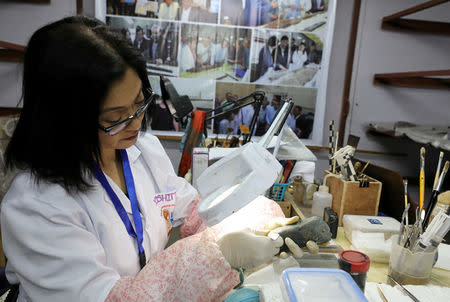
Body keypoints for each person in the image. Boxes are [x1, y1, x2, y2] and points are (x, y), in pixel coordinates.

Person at [1, 16, 287, 302]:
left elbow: (188, 209)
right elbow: (113, 299)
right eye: (115, 118)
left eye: (139, 104)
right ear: (65, 119)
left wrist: (235, 218)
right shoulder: (36, 205)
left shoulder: (144, 152)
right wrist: (216, 256)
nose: (135, 125)